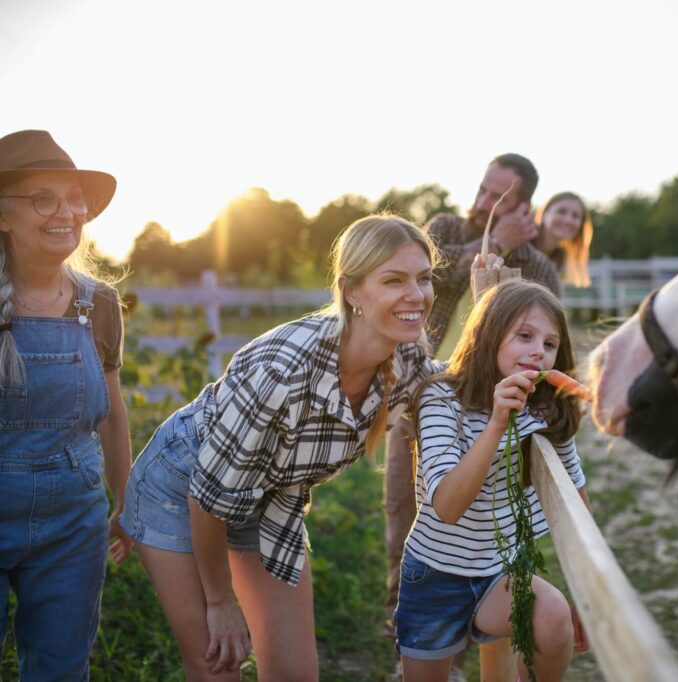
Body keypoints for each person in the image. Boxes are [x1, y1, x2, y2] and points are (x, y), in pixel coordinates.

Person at [120, 215, 445, 680]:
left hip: (267, 499)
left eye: (424, 278)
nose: (417, 296)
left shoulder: (407, 355)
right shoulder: (284, 372)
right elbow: (206, 497)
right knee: (218, 664)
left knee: (294, 673)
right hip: (181, 489)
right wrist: (220, 602)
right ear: (351, 291)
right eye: (394, 280)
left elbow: (460, 383)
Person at [384, 153, 562, 625]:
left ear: (523, 207)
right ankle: (405, 619)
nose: (482, 201)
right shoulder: (445, 228)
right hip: (425, 394)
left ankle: (479, 621)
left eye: (497, 197)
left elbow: (549, 336)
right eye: (483, 188)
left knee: (486, 518)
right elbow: (425, 275)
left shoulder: (538, 266)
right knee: (406, 508)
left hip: (494, 408)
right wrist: (487, 249)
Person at [396, 279, 590, 682]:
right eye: (525, 336)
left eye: (550, 344)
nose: (539, 350)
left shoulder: (547, 409)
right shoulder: (441, 400)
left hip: (501, 573)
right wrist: (498, 422)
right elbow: (447, 507)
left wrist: (587, 597)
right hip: (435, 575)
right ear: (489, 334)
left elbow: (576, 501)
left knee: (553, 617)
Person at [0, 129, 134, 680]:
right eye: (43, 199)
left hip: (73, 521)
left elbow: (114, 412)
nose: (67, 213)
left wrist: (126, 500)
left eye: (74, 199)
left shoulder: (98, 303)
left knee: (60, 668)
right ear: (3, 216)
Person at [533, 192, 593, 288]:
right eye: (561, 212)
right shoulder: (520, 244)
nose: (568, 220)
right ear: (545, 214)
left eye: (575, 216)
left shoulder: (559, 256)